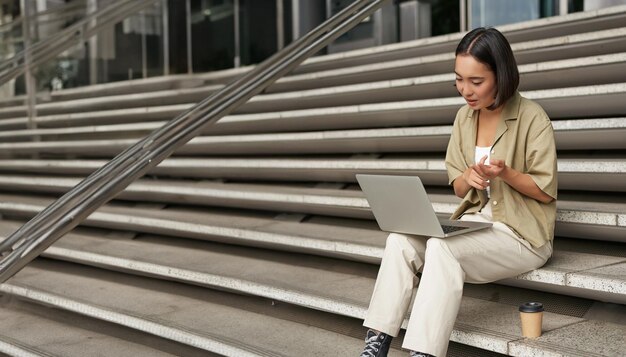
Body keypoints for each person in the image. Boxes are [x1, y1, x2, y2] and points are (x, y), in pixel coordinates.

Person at [359, 27, 557, 357]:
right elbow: (458, 186)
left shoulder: (532, 117)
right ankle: (376, 343)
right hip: (476, 225)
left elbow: (545, 192)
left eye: (476, 81)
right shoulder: (464, 118)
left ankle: (423, 353)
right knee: (399, 241)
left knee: (441, 248)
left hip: (522, 234)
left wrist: (504, 173)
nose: (465, 90)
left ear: (501, 74)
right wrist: (469, 175)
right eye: (459, 79)